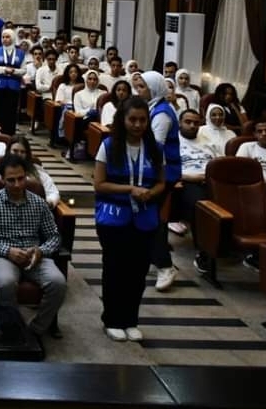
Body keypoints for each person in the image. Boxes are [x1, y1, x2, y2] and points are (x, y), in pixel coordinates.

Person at [0, 154, 66, 341]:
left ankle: (35, 330)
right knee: (5, 282)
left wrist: (41, 251)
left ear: (26, 176)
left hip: (35, 255)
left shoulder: (38, 203)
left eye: (21, 179)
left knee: (58, 283)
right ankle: (10, 328)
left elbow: (54, 237)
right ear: (2, 179)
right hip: (4, 256)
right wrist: (6, 251)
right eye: (11, 180)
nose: (17, 184)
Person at [92, 97, 165, 342]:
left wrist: (150, 193)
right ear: (122, 120)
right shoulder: (109, 145)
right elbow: (99, 184)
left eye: (142, 120)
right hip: (113, 217)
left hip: (145, 217)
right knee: (115, 269)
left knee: (138, 271)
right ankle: (112, 319)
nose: (137, 125)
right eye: (132, 119)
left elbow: (161, 182)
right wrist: (130, 190)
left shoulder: (155, 148)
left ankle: (130, 320)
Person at [132, 70, 182, 292]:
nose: (139, 90)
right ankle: (152, 255)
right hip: (155, 171)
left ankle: (165, 266)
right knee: (148, 214)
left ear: (154, 89)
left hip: (163, 173)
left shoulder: (162, 114)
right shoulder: (152, 107)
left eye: (143, 87)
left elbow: (156, 148)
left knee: (152, 217)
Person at [172, 109, 217, 273]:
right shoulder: (172, 142)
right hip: (186, 182)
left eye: (196, 123)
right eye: (188, 122)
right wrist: (192, 178)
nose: (192, 126)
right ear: (180, 123)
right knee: (202, 205)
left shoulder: (208, 142)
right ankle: (204, 252)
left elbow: (219, 164)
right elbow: (167, 170)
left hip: (212, 181)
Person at [7, 136, 61, 207]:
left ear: (27, 154)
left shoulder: (37, 171)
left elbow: (53, 193)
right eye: (15, 151)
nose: (19, 155)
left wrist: (46, 203)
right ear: (8, 152)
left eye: (22, 152)